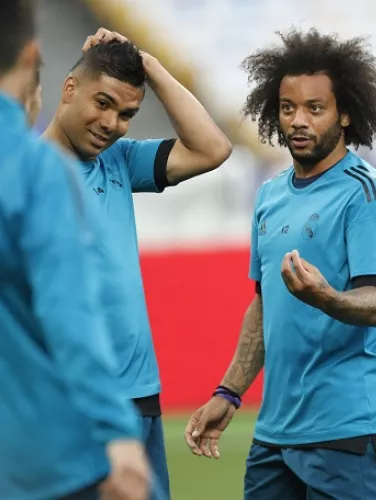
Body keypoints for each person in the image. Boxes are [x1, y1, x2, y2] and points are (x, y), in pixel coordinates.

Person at [184, 28, 376, 500]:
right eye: (288, 108)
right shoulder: (269, 195)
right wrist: (228, 391)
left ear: (345, 113)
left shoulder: (365, 193)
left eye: (314, 108)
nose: (298, 121)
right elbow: (264, 307)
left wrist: (324, 297)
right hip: (277, 432)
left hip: (350, 427)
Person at [41, 28, 233, 498]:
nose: (112, 123)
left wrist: (146, 62)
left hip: (139, 396)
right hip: (71, 401)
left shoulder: (120, 162)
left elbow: (213, 148)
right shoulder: (24, 174)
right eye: (103, 103)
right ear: (69, 90)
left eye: (127, 114)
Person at [0, 1, 150, 499]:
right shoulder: (36, 171)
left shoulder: (104, 163)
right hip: (41, 457)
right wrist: (118, 432)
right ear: (31, 59)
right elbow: (69, 313)